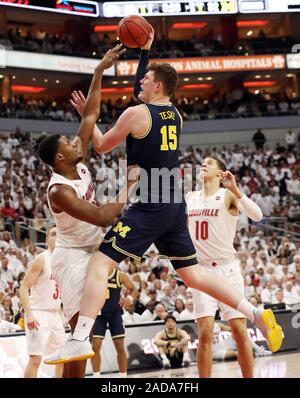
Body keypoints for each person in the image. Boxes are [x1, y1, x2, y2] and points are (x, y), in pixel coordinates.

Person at [49, 28, 282, 364]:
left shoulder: (135, 114)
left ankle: (79, 337)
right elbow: (141, 94)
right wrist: (144, 50)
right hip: (175, 205)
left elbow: (99, 146)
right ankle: (255, 313)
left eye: (145, 79)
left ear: (157, 85)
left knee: (101, 263)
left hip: (150, 204)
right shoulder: (176, 115)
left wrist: (89, 116)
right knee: (192, 274)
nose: (140, 82)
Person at [39, 45, 139, 378]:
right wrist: (129, 187)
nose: (75, 143)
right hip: (71, 258)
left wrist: (100, 70)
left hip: (93, 250)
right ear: (58, 159)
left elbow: (90, 116)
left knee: (82, 341)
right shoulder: (60, 191)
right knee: (78, 347)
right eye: (68, 145)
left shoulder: (75, 158)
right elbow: (100, 216)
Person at [186, 156, 268, 378]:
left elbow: (258, 216)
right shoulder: (190, 197)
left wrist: (236, 189)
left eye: (210, 162)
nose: (204, 164)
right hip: (201, 271)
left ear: (220, 173)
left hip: (227, 269)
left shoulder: (228, 195)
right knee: (204, 332)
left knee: (240, 331)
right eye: (202, 162)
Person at [19, 225, 65, 378]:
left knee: (61, 357)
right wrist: (29, 314)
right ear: (46, 239)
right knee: (36, 360)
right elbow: (23, 288)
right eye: (53, 234)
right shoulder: (41, 259)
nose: (56, 237)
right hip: (38, 313)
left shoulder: (63, 262)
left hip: (55, 314)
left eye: (59, 234)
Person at [91, 268, 137, 378]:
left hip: (114, 314)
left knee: (120, 347)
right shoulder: (95, 273)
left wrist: (129, 299)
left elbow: (133, 289)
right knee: (95, 347)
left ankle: (123, 376)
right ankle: (96, 376)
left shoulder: (119, 275)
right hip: (99, 314)